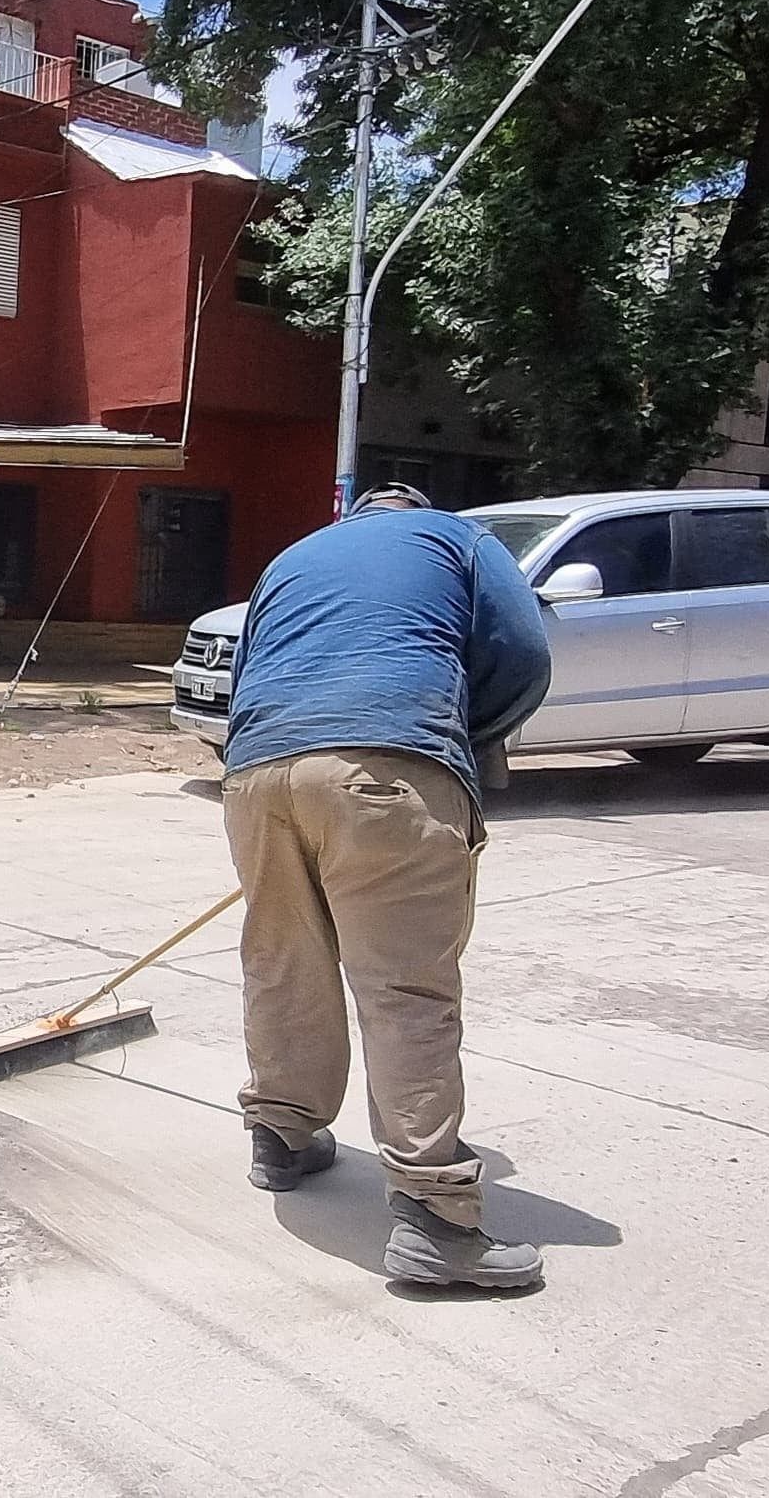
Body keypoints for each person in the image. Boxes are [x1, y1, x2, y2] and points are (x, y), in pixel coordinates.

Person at [222, 482, 552, 1289]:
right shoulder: (457, 537)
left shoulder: (292, 555)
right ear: (419, 507)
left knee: (282, 962)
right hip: (387, 767)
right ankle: (436, 1220)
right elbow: (522, 651)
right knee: (406, 990)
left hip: (257, 772)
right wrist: (466, 737)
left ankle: (283, 1132)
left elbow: (252, 665)